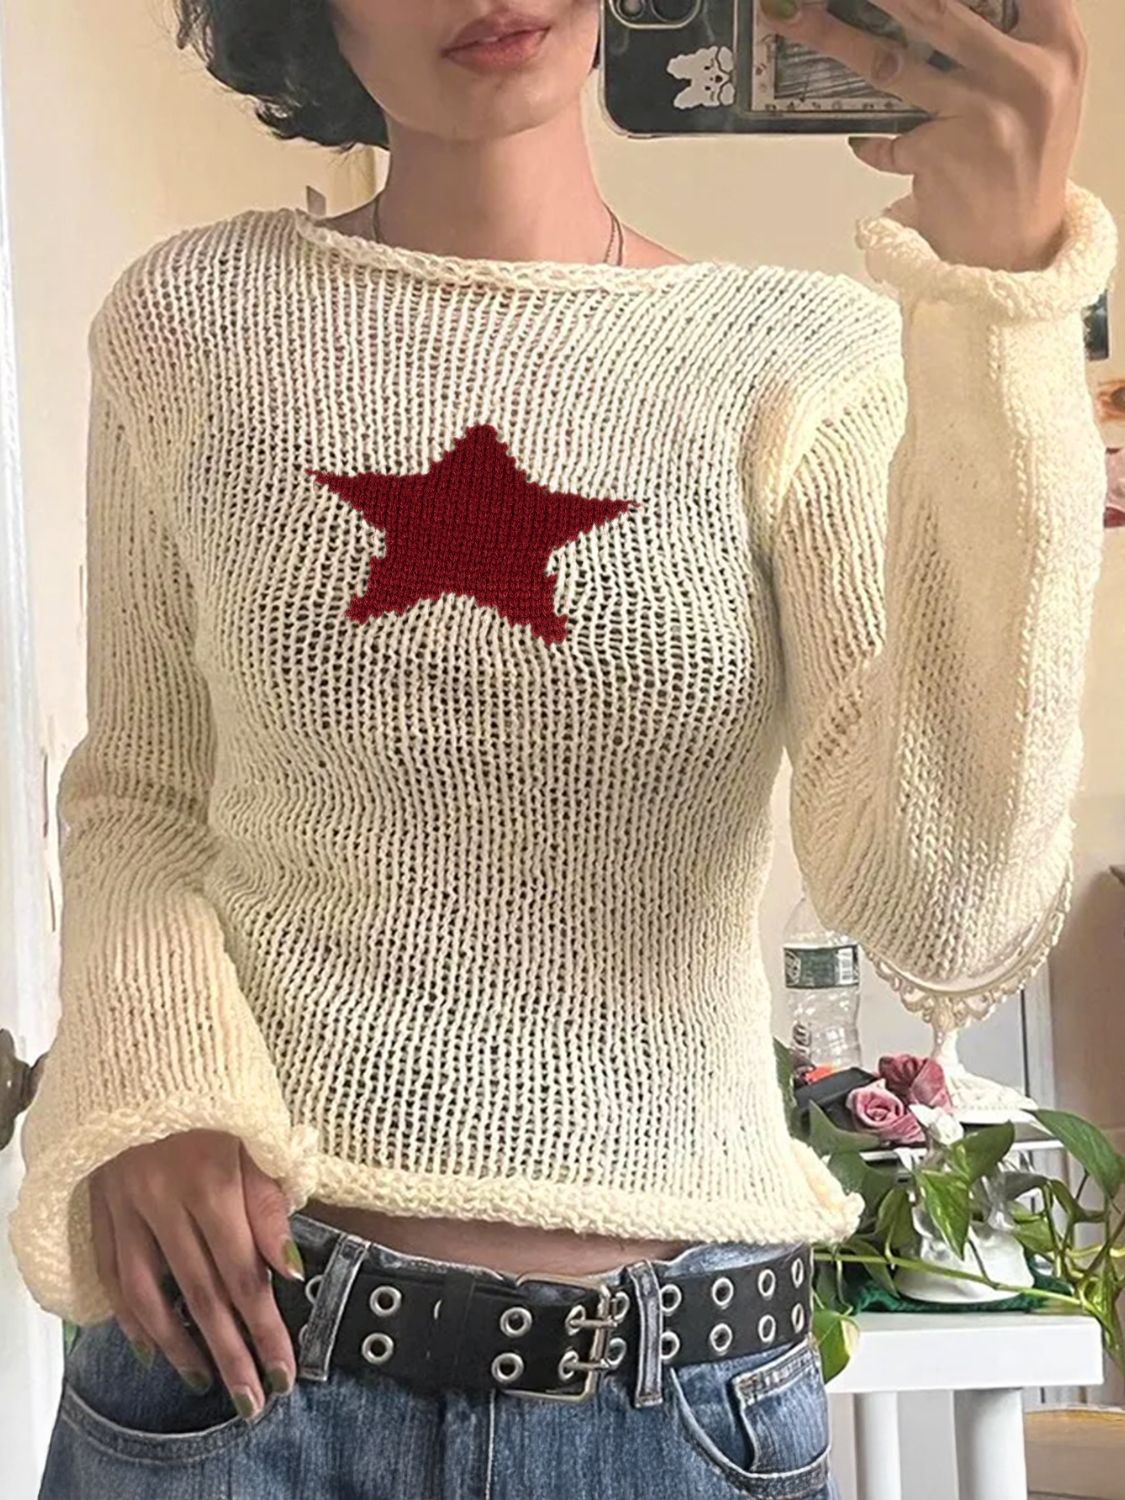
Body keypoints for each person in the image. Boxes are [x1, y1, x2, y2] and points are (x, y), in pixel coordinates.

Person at [8, 1, 1117, 1496]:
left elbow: (945, 909)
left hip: (680, 1407)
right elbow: (143, 794)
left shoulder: (805, 357)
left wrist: (1006, 304)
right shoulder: (193, 317)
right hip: (243, 1381)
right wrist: (156, 1081)